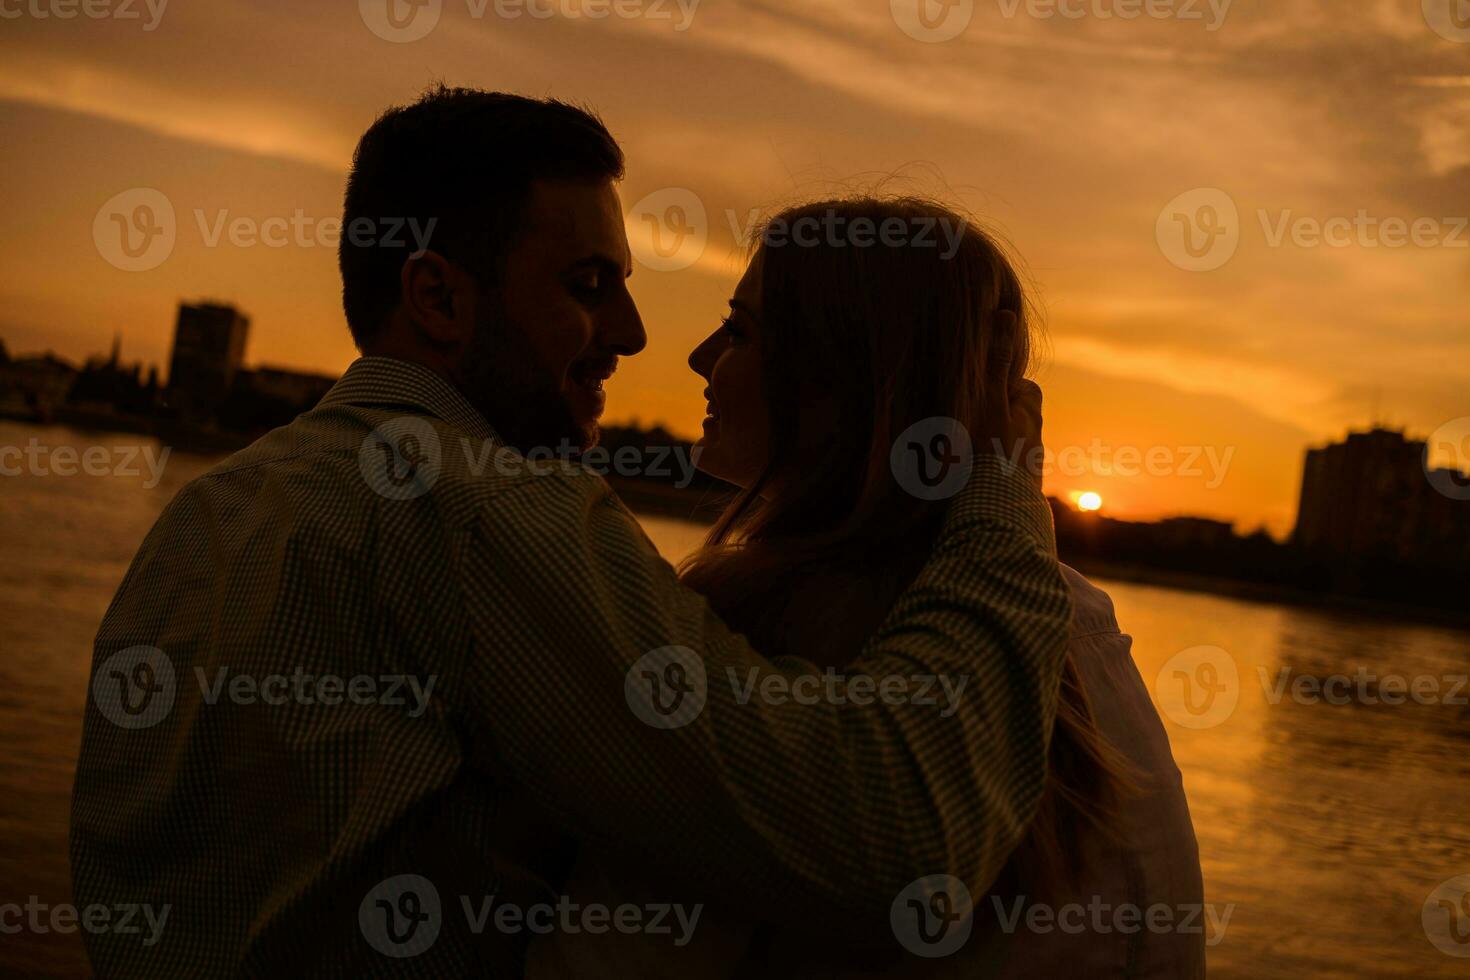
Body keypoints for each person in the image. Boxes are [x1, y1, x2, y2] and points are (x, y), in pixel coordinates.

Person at [70, 88, 1073, 976]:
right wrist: (1002, 496)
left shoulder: (212, 511)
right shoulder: (482, 509)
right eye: (589, 285)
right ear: (438, 297)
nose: (637, 333)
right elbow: (890, 838)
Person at [529, 198, 1206, 978]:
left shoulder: (769, 625)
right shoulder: (1078, 616)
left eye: (740, 331)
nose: (699, 356)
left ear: (838, 381)